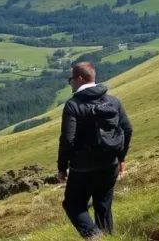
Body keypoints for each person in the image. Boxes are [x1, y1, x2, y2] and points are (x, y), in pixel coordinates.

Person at [57, 61, 134, 240]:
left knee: (73, 205)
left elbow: (67, 139)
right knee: (103, 207)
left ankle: (95, 236)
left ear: (79, 78)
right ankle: (105, 237)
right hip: (110, 164)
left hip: (82, 168)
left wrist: (62, 167)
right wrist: (121, 157)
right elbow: (127, 129)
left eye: (71, 80)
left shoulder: (73, 105)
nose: (70, 84)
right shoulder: (113, 101)